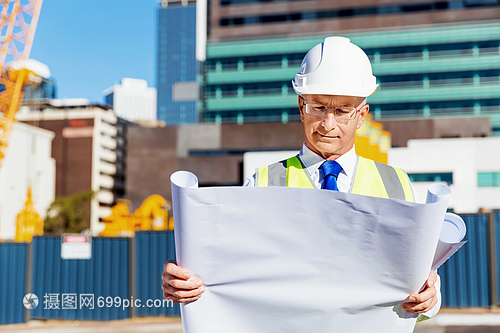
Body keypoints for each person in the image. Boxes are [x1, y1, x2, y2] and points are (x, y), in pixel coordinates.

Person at [162, 36, 441, 319]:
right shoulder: (263, 182)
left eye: (343, 111)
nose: (328, 124)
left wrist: (431, 298)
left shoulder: (396, 183)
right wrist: (186, 280)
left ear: (362, 115)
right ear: (301, 107)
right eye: (318, 108)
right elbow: (226, 271)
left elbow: (421, 275)